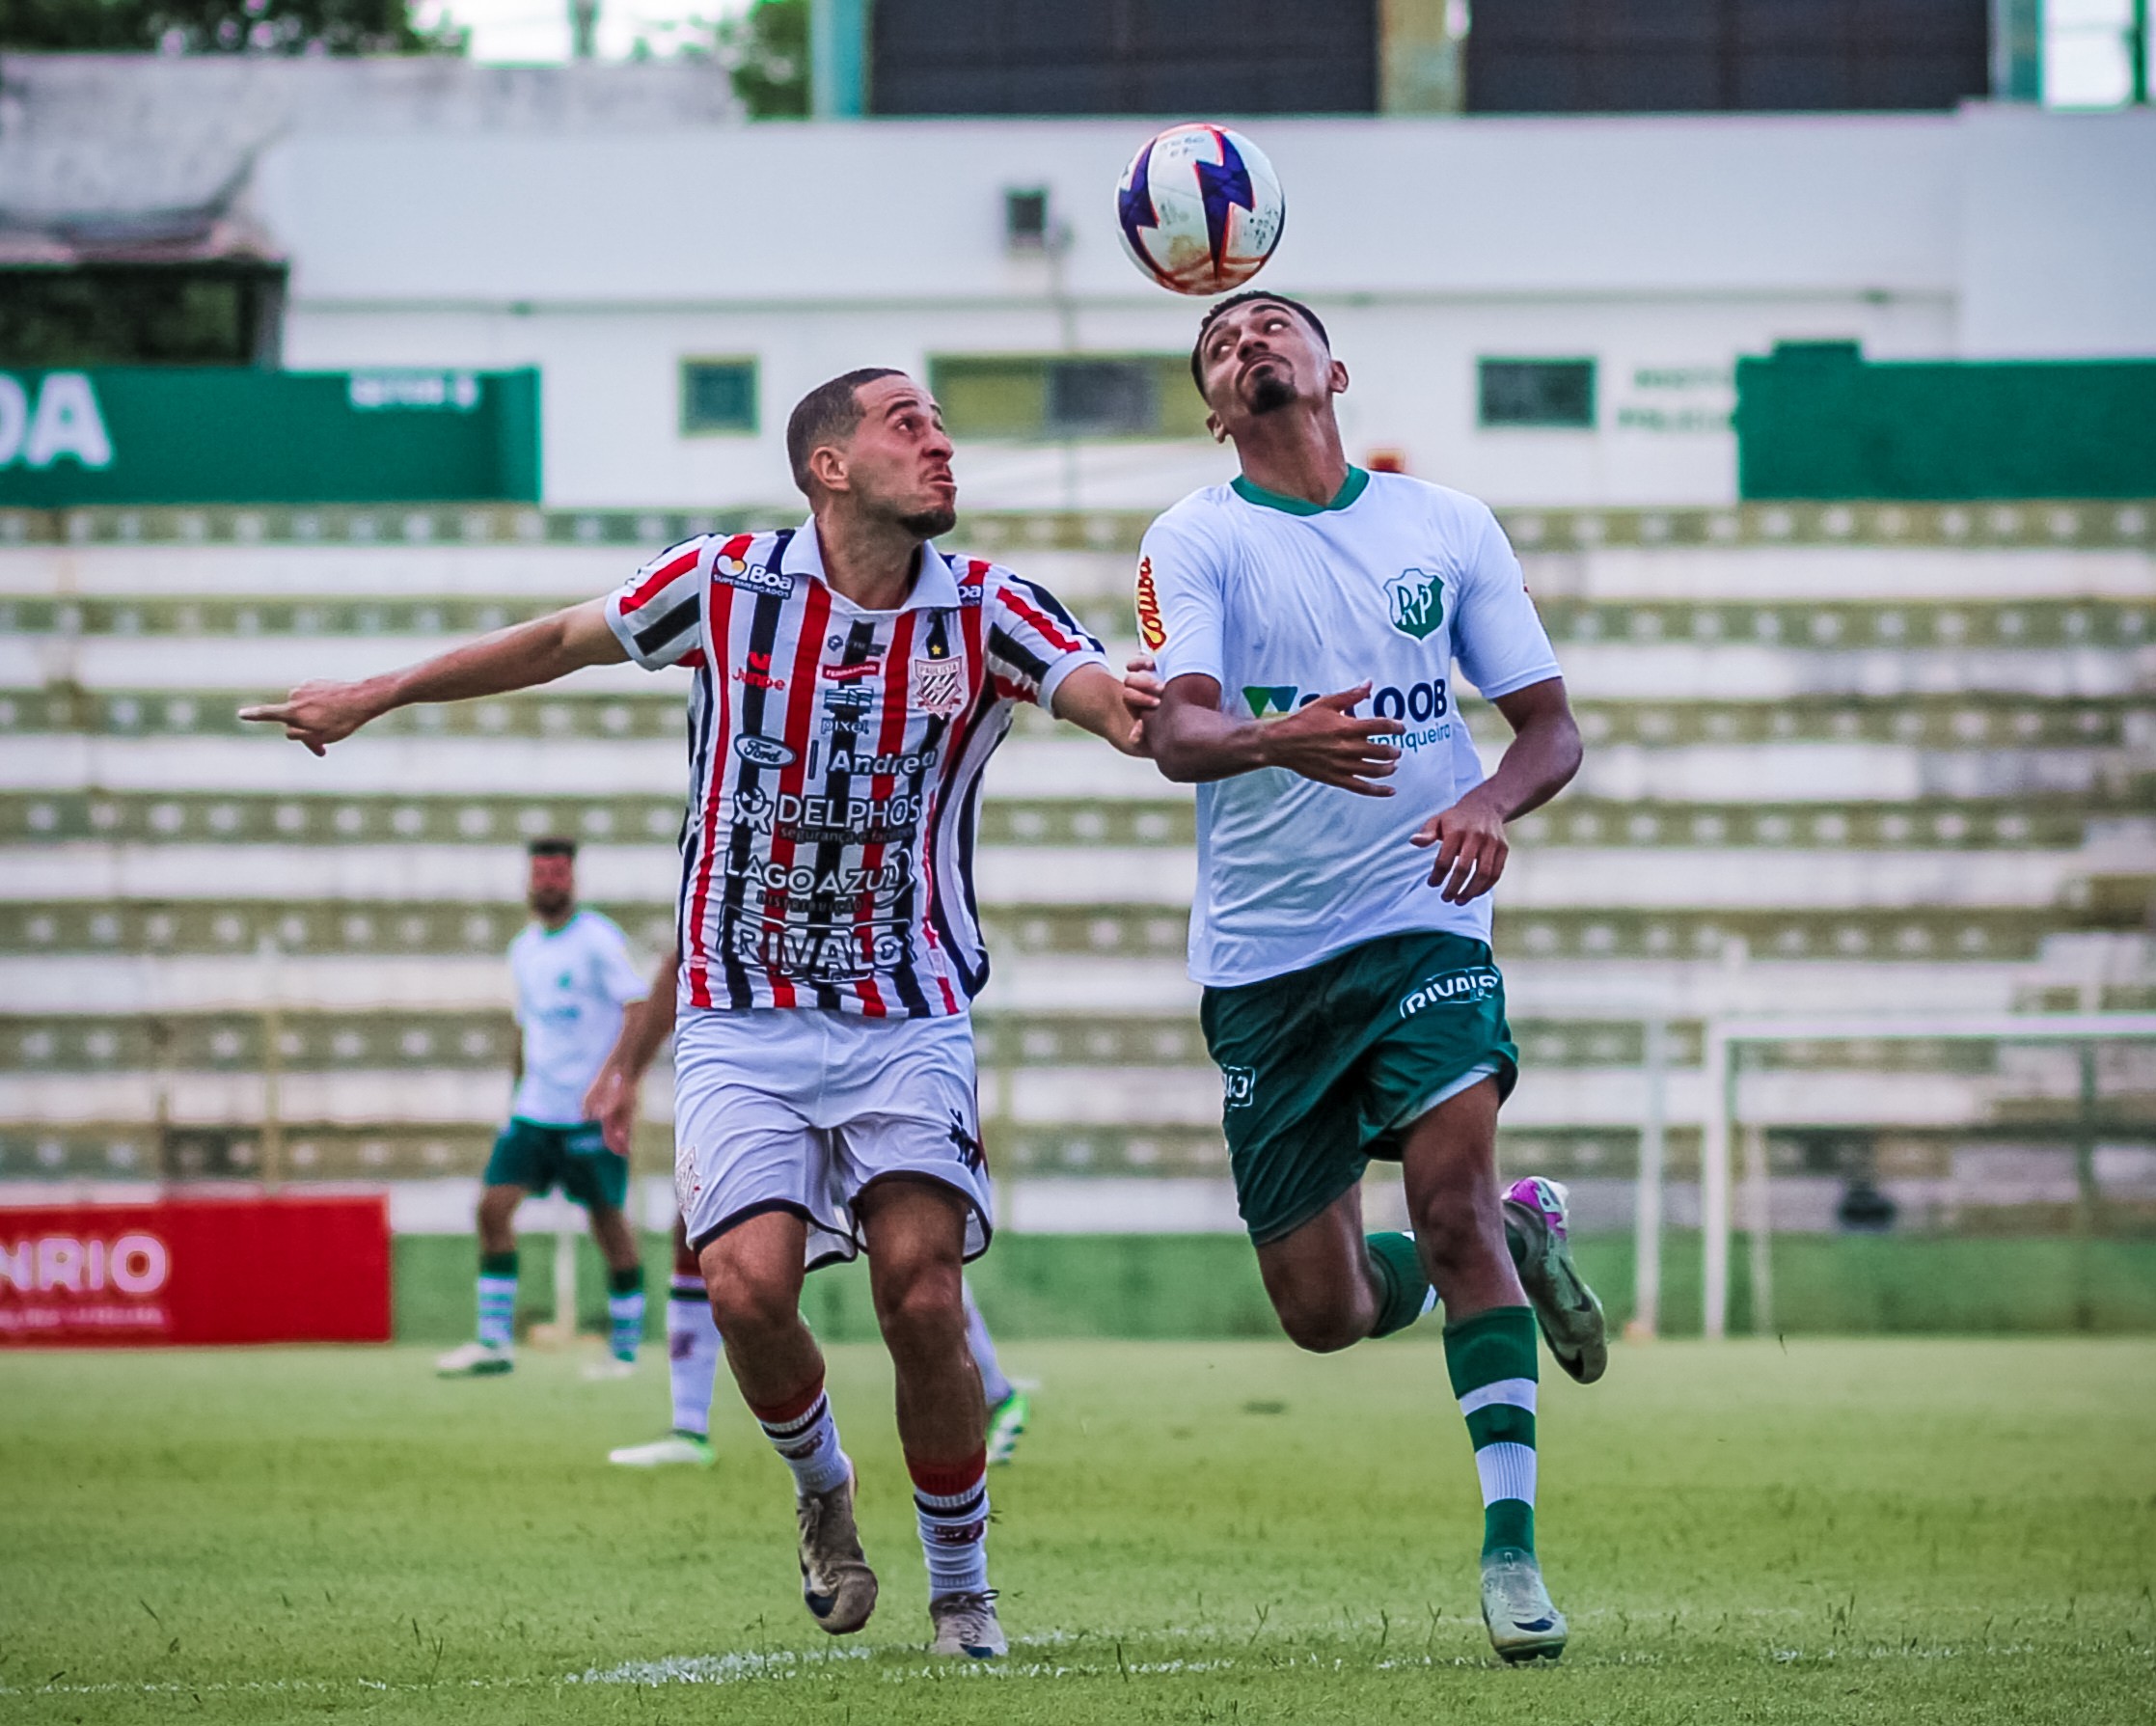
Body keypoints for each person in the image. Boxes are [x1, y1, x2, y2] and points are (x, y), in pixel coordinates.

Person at [242, 368, 1145, 1659]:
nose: (939, 443)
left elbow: (1094, 692)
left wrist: (1143, 710)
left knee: (921, 1294)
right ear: (825, 466)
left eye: (943, 424)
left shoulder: (990, 607)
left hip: (907, 1010)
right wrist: (374, 693)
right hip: (738, 1013)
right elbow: (561, 638)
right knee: (741, 1286)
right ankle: (822, 1484)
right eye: (907, 424)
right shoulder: (725, 584)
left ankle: (962, 1584)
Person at [1130, 292, 1608, 1664]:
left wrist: (1488, 807)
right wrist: (1277, 740)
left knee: (1446, 1202)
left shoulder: (1443, 525)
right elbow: (1176, 733)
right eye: (1220, 347)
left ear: (1329, 368)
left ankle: (1510, 1553)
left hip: (1420, 915)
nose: (1247, 346)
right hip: (1264, 958)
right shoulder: (1195, 538)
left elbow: (1547, 727)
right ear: (1213, 407)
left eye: (1271, 328)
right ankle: (1517, 1249)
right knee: (1321, 1312)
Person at [587, 948, 1031, 1470]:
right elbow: (682, 957)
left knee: (906, 1244)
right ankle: (692, 1424)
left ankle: (992, 1393)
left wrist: (625, 1071)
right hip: (769, 1060)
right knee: (703, 1221)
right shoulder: (724, 893)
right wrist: (626, 1070)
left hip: (868, 1047)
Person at [434, 838, 654, 1380]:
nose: (549, 882)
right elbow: (524, 1030)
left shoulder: (598, 941)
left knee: (608, 1222)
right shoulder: (524, 948)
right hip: (534, 1112)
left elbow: (639, 1008)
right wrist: (513, 1097)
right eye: (541, 873)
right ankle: (494, 1343)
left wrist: (615, 1080)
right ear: (529, 881)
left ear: (572, 880)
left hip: (587, 1113)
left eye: (559, 873)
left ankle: (624, 1351)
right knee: (492, 1209)